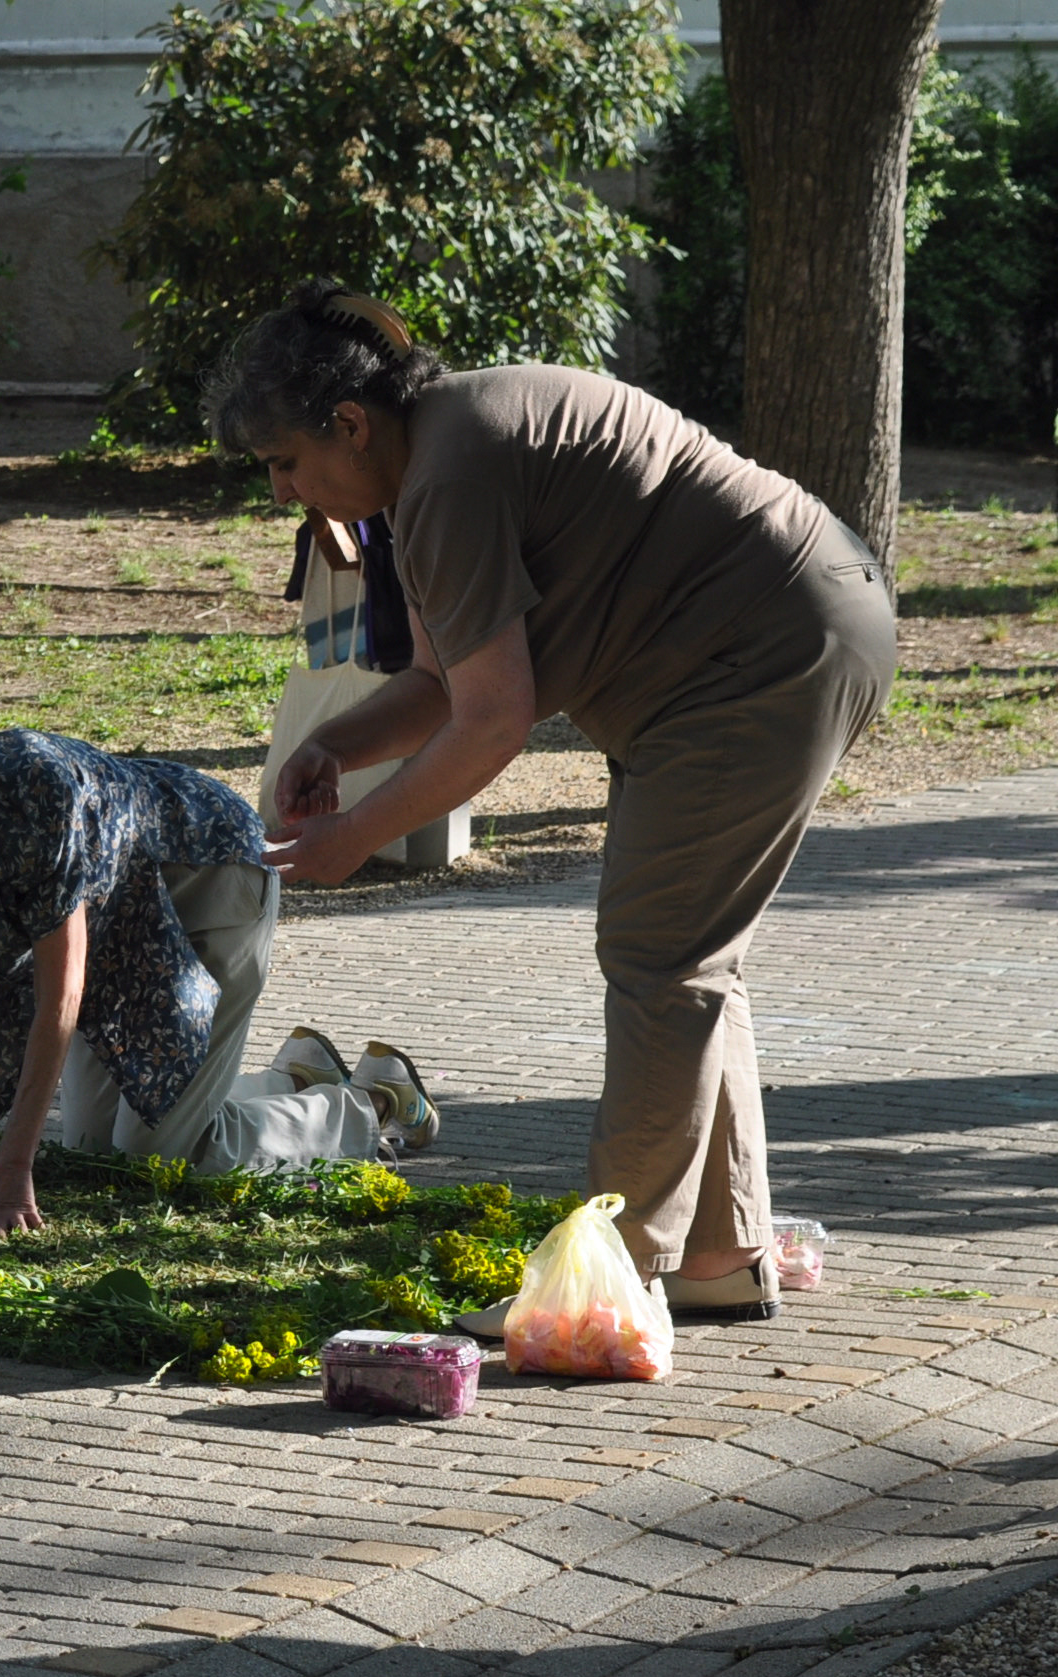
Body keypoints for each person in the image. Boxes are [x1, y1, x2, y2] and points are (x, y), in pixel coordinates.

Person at [213, 284, 894, 1326]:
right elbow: (443, 683)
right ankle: (717, 1256)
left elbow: (493, 724)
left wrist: (355, 837)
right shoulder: (436, 458)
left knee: (658, 957)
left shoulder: (450, 475)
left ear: (349, 423)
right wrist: (335, 745)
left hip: (763, 650)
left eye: (285, 462)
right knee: (687, 960)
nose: (281, 491)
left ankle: (604, 1284)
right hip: (774, 634)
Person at [0, 691, 439, 1240]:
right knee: (96, 1151)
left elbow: (58, 1001)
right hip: (117, 924)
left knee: (159, 1159)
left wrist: (11, 1173)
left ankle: (365, 1105)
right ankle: (295, 1077)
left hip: (208, 880)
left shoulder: (38, 796)